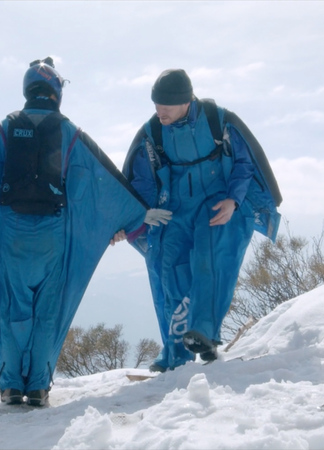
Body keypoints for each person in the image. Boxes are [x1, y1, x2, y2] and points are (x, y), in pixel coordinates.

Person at [0, 57, 170, 407]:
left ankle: (9, 386)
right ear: (56, 92)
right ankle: (37, 386)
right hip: (53, 235)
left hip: (10, 233)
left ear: (27, 89)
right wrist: (136, 213)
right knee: (48, 311)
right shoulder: (69, 132)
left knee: (12, 309)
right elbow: (103, 176)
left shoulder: (6, 128)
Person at [117, 68, 282, 372]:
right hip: (175, 207)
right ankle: (175, 354)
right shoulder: (152, 132)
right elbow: (140, 180)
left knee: (212, 255)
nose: (160, 112)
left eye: (166, 105)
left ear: (185, 101)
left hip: (219, 199)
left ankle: (204, 334)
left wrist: (234, 199)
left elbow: (244, 163)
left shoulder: (217, 120)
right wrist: (130, 219)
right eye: (156, 105)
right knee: (167, 267)